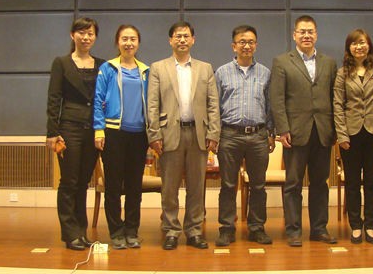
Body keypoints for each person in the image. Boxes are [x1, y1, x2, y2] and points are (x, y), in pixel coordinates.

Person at [147, 21, 220, 250]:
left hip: (198, 134)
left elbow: (213, 104)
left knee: (196, 187)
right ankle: (171, 230)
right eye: (178, 36)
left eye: (186, 36)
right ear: (170, 40)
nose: (182, 40)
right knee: (169, 187)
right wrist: (154, 134)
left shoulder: (205, 68)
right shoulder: (158, 68)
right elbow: (152, 104)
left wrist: (214, 132)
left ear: (193, 40)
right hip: (169, 133)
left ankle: (194, 231)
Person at [270, 15, 338, 247]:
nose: (306, 35)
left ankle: (319, 229)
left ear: (316, 35)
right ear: (294, 35)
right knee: (293, 184)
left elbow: (335, 97)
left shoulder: (329, 63)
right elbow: (277, 99)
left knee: (320, 183)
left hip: (323, 131)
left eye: (310, 31)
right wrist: (282, 129)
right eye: (302, 31)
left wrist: (335, 129)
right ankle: (293, 230)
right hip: (295, 132)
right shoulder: (282, 62)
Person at [46, 17, 104, 251]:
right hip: (69, 128)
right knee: (69, 181)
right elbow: (54, 99)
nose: (86, 37)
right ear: (73, 35)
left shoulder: (101, 64)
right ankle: (70, 234)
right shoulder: (61, 63)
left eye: (90, 33)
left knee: (83, 182)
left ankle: (81, 231)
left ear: (95, 37)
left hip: (93, 129)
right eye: (81, 32)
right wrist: (52, 132)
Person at [214, 25, 275, 247]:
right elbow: (214, 106)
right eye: (242, 42)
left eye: (250, 42)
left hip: (258, 135)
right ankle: (226, 228)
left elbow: (270, 107)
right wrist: (215, 135)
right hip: (229, 135)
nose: (246, 46)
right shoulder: (221, 72)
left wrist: (271, 133)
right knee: (228, 185)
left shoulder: (265, 73)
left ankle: (257, 228)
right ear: (234, 46)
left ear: (256, 45)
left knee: (258, 185)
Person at [333, 29, 373, 245]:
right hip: (350, 134)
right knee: (352, 182)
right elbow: (337, 105)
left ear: (369, 46)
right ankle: (356, 226)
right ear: (349, 48)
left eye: (363, 43)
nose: (359, 47)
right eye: (355, 43)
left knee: (371, 182)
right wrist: (341, 135)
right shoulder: (342, 73)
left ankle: (371, 226)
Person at [93, 25, 149, 250]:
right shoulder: (107, 68)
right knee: (114, 187)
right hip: (113, 134)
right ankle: (116, 232)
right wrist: (98, 130)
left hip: (139, 136)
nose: (129, 43)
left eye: (133, 39)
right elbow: (98, 99)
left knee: (135, 187)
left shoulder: (146, 71)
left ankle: (132, 231)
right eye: (124, 39)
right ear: (117, 42)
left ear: (138, 43)